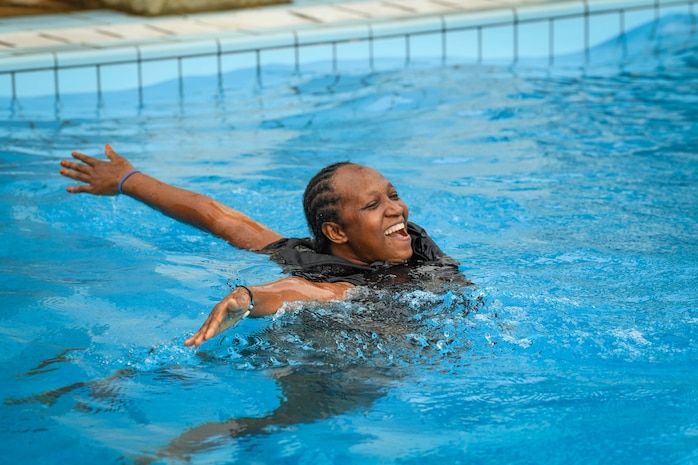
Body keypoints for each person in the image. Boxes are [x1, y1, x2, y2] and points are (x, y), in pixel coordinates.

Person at [59, 145, 465, 347]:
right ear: (337, 233)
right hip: (338, 354)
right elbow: (313, 291)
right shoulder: (338, 278)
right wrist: (251, 297)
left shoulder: (413, 245)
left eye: (393, 195)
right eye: (374, 205)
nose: (397, 209)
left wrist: (128, 179)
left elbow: (222, 218)